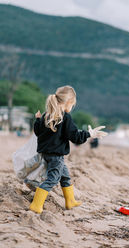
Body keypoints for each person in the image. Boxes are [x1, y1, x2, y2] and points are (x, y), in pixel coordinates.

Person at [29, 85, 107, 214]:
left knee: (65, 176)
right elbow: (75, 137)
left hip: (45, 153)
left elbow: (38, 132)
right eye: (72, 105)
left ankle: (70, 201)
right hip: (56, 155)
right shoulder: (65, 117)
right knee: (52, 179)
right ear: (68, 103)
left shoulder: (46, 115)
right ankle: (36, 204)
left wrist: (37, 120)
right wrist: (89, 134)